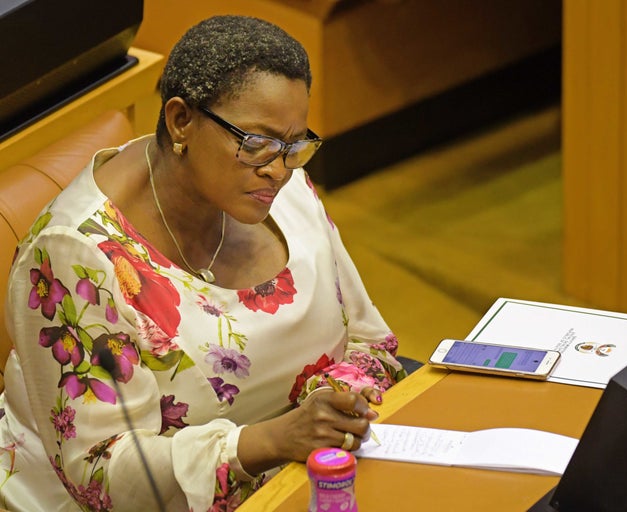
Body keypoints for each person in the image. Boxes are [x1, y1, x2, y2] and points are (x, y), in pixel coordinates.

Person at [0, 16, 406, 511]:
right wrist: (272, 441)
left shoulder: (277, 184)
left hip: (306, 475)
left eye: (294, 144)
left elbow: (370, 340)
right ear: (181, 121)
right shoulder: (74, 256)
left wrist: (336, 407)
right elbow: (104, 477)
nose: (278, 169)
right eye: (255, 143)